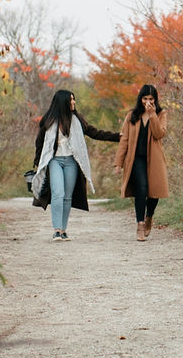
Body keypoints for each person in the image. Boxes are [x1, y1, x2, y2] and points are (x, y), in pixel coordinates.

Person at [31, 89, 120, 241]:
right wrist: (37, 163)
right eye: (71, 99)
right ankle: (57, 230)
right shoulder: (49, 121)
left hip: (71, 161)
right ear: (62, 102)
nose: (73, 102)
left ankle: (64, 230)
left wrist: (118, 137)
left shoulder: (77, 120)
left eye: (74, 99)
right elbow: (39, 143)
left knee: (67, 197)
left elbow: (95, 133)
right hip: (54, 161)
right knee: (58, 193)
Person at [113, 84, 169, 241]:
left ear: (155, 100)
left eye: (151, 99)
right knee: (141, 188)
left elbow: (159, 134)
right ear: (140, 99)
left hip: (154, 159)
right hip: (136, 158)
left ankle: (149, 215)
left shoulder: (161, 113)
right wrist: (119, 163)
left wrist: (152, 115)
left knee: (154, 192)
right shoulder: (132, 115)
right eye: (145, 99)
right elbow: (124, 139)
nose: (148, 102)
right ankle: (140, 223)